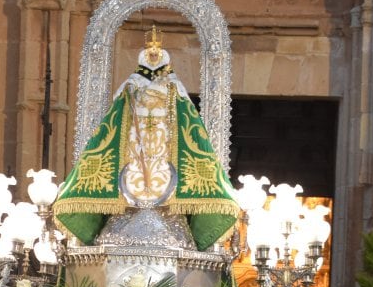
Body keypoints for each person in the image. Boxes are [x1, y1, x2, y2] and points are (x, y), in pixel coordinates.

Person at [53, 26, 239, 250]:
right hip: (126, 202)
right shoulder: (129, 95)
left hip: (169, 212)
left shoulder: (175, 97)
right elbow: (108, 136)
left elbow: (192, 137)